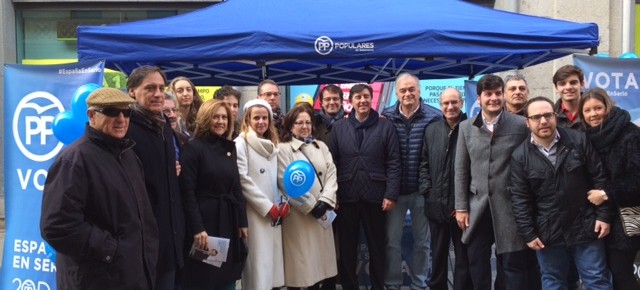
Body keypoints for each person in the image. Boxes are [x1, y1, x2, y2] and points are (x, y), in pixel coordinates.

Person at [40, 88, 159, 289]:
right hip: (97, 280)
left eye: (126, 112)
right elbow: (57, 227)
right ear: (92, 115)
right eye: (112, 112)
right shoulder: (75, 160)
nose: (121, 119)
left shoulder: (128, 154)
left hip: (132, 276)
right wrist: (111, 249)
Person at [510, 96, 614, 290]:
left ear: (555, 116)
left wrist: (604, 216)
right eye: (536, 117)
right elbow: (520, 199)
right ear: (527, 122)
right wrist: (528, 233)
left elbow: (600, 178)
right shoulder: (520, 156)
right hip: (548, 232)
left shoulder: (578, 140)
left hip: (586, 225)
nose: (543, 121)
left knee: (597, 280)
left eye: (548, 115)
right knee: (553, 282)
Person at [454, 74, 539, 290]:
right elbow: (461, 169)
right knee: (476, 261)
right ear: (479, 97)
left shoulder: (521, 125)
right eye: (488, 94)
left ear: (503, 96)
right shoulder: (465, 127)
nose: (493, 98)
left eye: (497, 94)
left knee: (510, 265)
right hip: (477, 207)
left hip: (509, 206)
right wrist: (461, 207)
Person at [328, 84, 401, 290]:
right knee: (347, 249)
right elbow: (331, 164)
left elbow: (394, 163)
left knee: (377, 247)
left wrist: (391, 194)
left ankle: (379, 286)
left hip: (376, 198)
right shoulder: (339, 128)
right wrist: (333, 196)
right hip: (346, 197)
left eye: (366, 97)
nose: (363, 101)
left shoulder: (385, 126)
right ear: (350, 101)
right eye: (358, 97)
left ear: (372, 99)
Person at [177, 99, 249, 290]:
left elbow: (235, 187)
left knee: (227, 275)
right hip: (206, 225)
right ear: (205, 118)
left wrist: (242, 221)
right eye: (215, 117)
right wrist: (197, 228)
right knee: (206, 276)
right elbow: (187, 192)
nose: (220, 121)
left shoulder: (229, 148)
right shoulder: (193, 148)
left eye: (224, 117)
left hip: (228, 220)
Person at [127, 66, 185, 290]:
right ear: (132, 91)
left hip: (170, 242)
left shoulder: (164, 127)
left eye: (161, 88)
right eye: (150, 88)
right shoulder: (127, 129)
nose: (158, 94)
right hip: (143, 247)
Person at [381, 72, 441, 290]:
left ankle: (419, 284)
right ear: (396, 93)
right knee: (391, 242)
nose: (407, 94)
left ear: (419, 91)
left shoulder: (435, 116)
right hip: (394, 192)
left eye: (411, 89)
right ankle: (393, 284)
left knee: (422, 243)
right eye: (403, 90)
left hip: (422, 192)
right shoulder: (385, 117)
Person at [579, 88, 640, 290]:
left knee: (622, 274)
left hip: (628, 217)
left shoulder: (630, 134)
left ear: (608, 107)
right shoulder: (588, 137)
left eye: (598, 108)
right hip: (600, 218)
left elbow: (636, 178)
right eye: (587, 110)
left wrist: (606, 193)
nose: (593, 114)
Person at [277, 103, 338, 290]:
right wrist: (311, 206)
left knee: (320, 265)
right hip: (299, 216)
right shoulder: (283, 149)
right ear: (290, 125)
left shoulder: (321, 146)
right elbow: (284, 182)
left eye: (308, 122)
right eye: (299, 123)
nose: (304, 126)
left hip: (322, 214)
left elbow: (331, 173)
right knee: (301, 266)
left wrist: (325, 201)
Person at [419, 88, 472, 290]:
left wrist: (467, 200)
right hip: (436, 205)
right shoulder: (432, 129)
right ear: (440, 105)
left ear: (462, 102)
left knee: (463, 257)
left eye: (454, 102)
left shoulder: (472, 128)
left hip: (463, 208)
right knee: (438, 255)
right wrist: (427, 191)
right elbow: (423, 163)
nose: (450, 107)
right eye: (445, 103)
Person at [235, 99, 286, 290]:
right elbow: (242, 179)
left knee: (270, 265)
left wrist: (283, 201)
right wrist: (266, 206)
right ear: (247, 119)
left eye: (265, 118)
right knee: (257, 264)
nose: (261, 122)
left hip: (274, 213)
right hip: (254, 213)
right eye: (256, 118)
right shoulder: (241, 144)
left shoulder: (273, 144)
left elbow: (278, 178)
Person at [553, 65, 585, 129]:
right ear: (556, 88)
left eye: (573, 82)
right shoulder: (551, 115)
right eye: (562, 84)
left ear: (582, 84)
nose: (568, 87)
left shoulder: (594, 111)